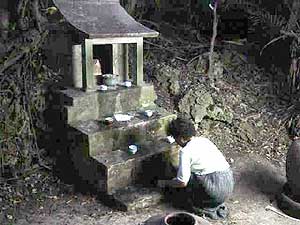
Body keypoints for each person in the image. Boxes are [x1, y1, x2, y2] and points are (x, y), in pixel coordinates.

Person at [157, 118, 234, 220]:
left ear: (180, 138)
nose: (175, 141)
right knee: (188, 173)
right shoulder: (204, 141)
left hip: (215, 190)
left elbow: (182, 182)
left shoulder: (185, 152)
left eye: (175, 138)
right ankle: (213, 202)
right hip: (228, 183)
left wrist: (164, 183)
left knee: (181, 187)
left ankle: (204, 205)